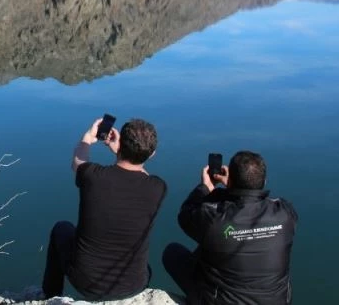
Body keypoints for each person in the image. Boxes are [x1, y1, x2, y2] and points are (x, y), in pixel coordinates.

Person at [41, 117, 167, 300]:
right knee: (146, 266)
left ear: (121, 144)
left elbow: (78, 161)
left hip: (86, 283)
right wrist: (124, 152)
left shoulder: (93, 177)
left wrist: (87, 138)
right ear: (152, 154)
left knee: (61, 228)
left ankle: (50, 295)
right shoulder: (158, 188)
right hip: (134, 285)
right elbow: (142, 176)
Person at [163, 151, 297, 304]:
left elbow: (185, 215)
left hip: (221, 301)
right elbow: (258, 202)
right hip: (278, 302)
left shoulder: (214, 220)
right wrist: (234, 188)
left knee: (172, 252)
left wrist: (205, 188)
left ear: (231, 180)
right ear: (264, 181)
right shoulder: (286, 214)